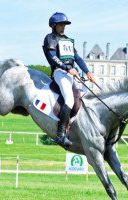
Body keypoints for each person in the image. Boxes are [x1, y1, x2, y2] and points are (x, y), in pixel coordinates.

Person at [43, 12, 95, 148]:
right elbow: (52, 58)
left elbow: (77, 58)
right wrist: (66, 68)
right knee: (69, 100)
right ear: (54, 26)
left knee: (87, 95)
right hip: (60, 72)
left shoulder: (67, 40)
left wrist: (87, 71)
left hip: (72, 73)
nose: (63, 27)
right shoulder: (50, 38)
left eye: (64, 25)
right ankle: (60, 135)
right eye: (61, 24)